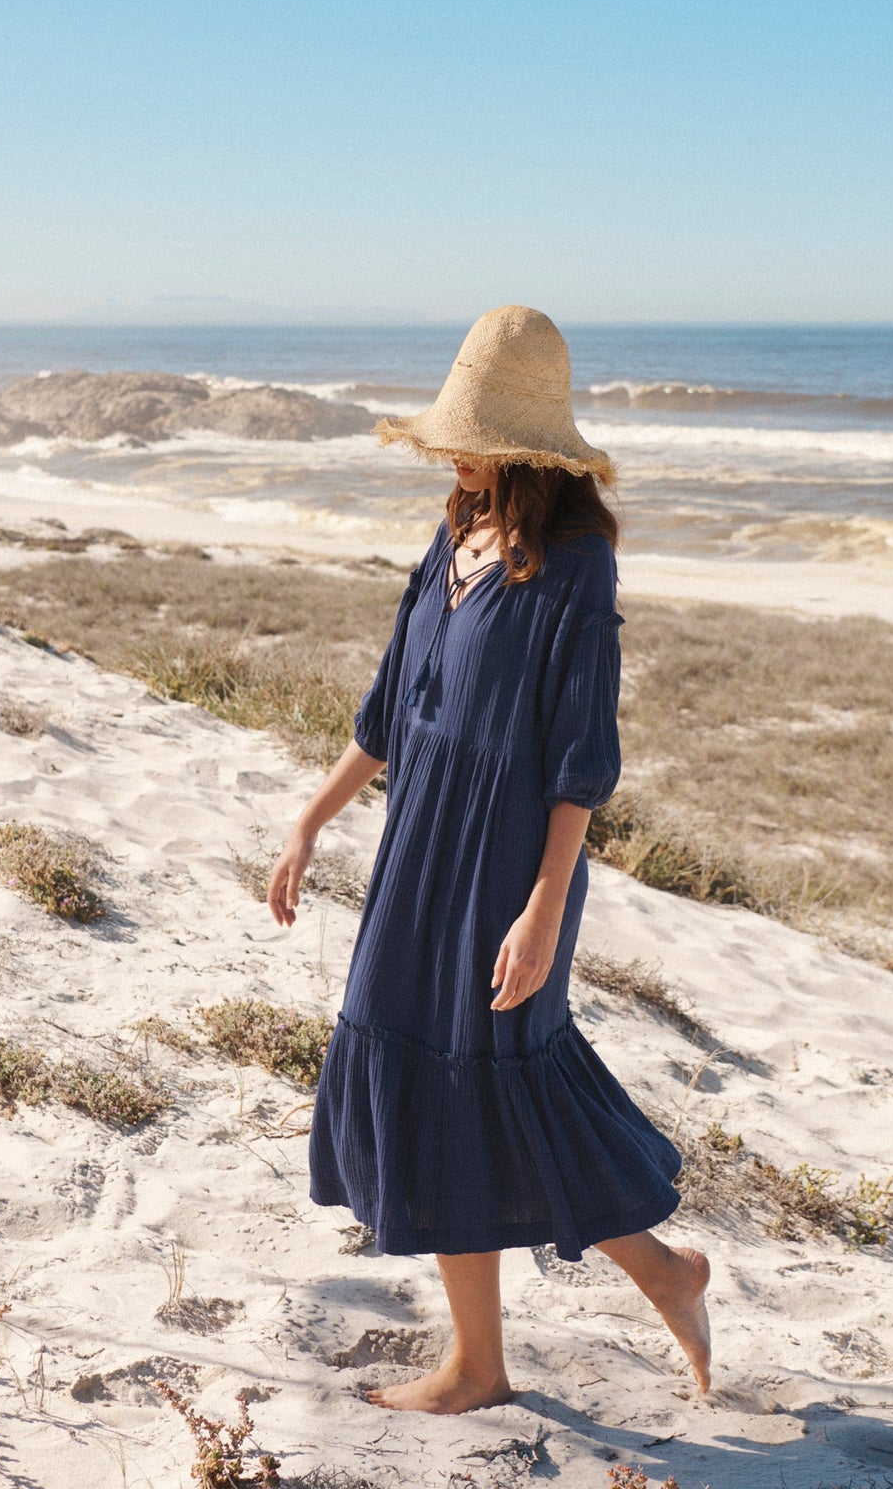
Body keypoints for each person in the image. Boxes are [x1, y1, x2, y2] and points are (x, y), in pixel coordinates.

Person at [266, 305, 712, 1415]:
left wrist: (546, 906)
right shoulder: (452, 533)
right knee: (419, 1072)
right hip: (418, 849)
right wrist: (311, 819)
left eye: (474, 435)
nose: (454, 453)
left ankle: (644, 1278)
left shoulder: (576, 570)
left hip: (509, 867)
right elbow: (388, 709)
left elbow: (579, 763)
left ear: (529, 449)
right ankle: (499, 1353)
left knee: (508, 1082)